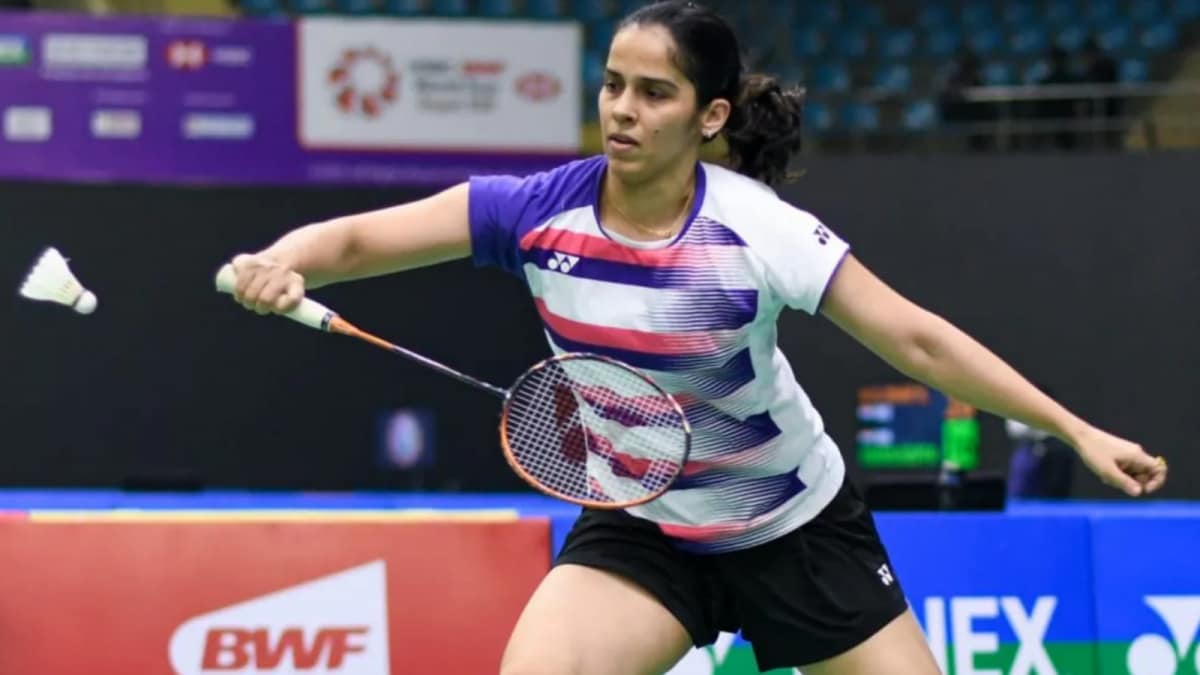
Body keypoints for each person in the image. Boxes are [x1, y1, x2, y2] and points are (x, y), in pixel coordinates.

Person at [224, 2, 1168, 673]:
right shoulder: (536, 212)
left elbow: (917, 341)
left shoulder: (756, 230)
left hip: (793, 528)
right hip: (646, 524)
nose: (623, 109)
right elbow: (357, 240)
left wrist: (1075, 429)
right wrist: (283, 258)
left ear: (709, 116)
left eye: (655, 92)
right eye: (613, 85)